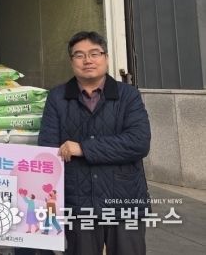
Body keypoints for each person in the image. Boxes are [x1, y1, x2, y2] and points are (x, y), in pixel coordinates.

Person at [38, 31, 151, 255]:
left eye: (94, 54)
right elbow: (48, 149)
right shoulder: (58, 97)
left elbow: (139, 142)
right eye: (79, 55)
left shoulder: (128, 95)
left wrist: (82, 148)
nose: (87, 60)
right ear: (71, 61)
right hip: (78, 202)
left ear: (106, 57)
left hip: (124, 199)